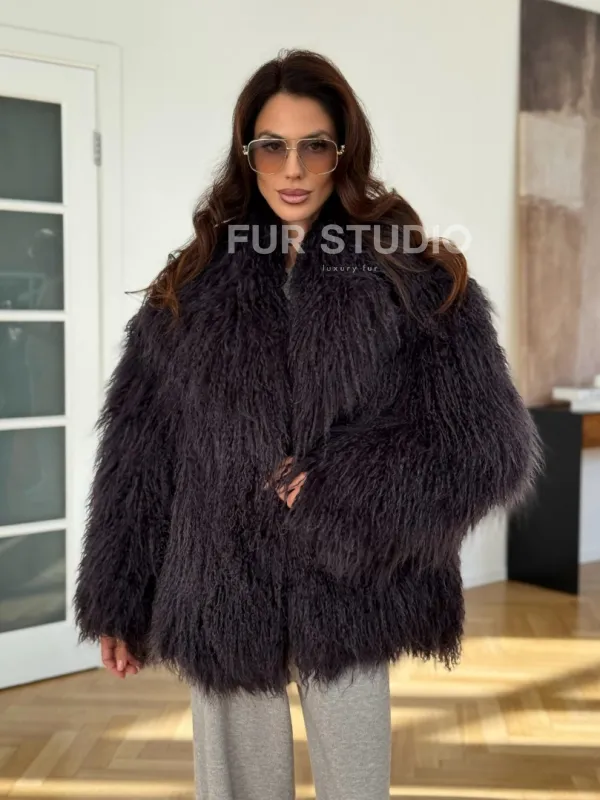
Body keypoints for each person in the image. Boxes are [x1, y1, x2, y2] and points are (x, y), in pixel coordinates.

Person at [73, 48, 543, 800]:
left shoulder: (410, 279)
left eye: (314, 145)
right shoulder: (190, 288)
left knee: (355, 787)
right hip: (222, 579)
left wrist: (340, 489)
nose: (293, 169)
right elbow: (139, 452)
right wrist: (120, 597)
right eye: (272, 147)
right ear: (248, 156)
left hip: (350, 582)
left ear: (343, 152)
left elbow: (488, 446)